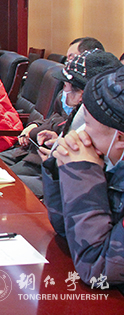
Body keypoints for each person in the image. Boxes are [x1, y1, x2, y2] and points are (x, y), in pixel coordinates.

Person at [43, 64, 124, 284]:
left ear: (120, 137)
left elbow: (98, 269)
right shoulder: (110, 161)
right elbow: (66, 231)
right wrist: (62, 164)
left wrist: (82, 174)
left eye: (86, 123)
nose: (82, 134)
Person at [5, 50, 121, 197]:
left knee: (7, 187)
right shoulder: (80, 108)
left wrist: (79, 171)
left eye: (66, 86)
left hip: (70, 179)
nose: (64, 91)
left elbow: (84, 202)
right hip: (56, 168)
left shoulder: (101, 116)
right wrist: (56, 151)